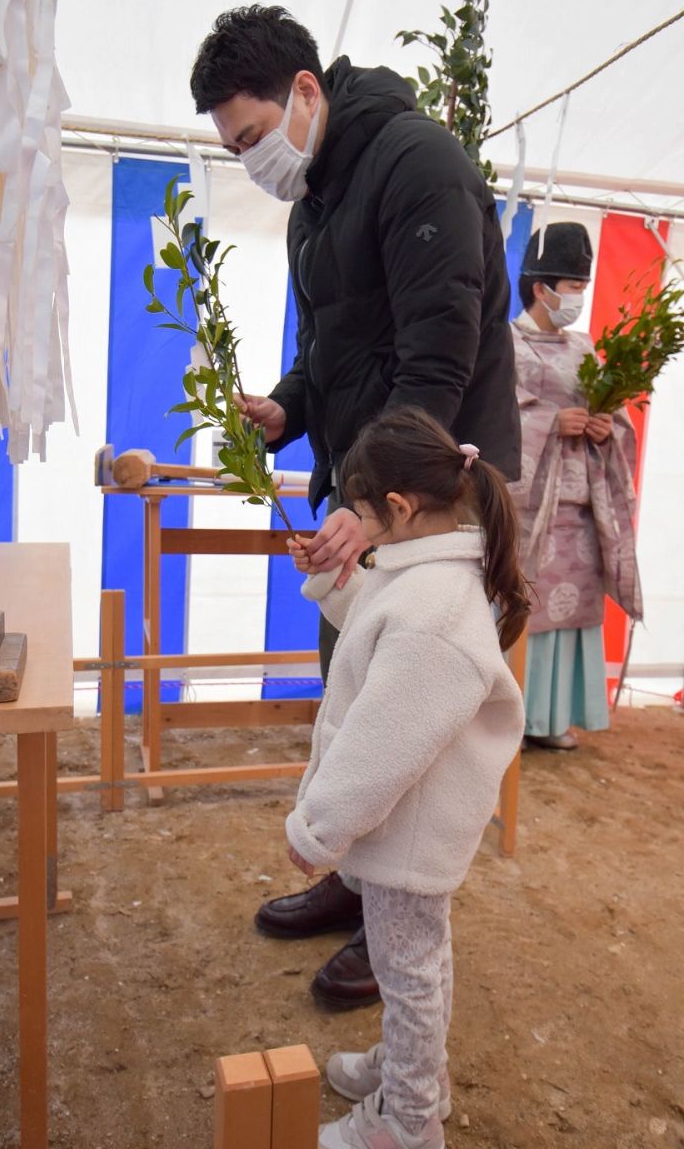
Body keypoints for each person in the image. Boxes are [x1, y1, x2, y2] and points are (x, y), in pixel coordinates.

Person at [190, 4, 521, 1006]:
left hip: (436, 491)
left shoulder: (416, 160)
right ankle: (356, 880)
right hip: (371, 489)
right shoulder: (315, 205)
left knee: (408, 711)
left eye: (251, 136)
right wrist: (285, 409)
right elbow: (331, 350)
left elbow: (438, 351)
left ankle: (399, 920)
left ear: (304, 91)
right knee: (350, 687)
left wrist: (383, 503)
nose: (250, 160)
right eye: (233, 148)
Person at [284, 406, 528, 1149]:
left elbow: (380, 745)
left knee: (409, 968)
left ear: (397, 507)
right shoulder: (428, 576)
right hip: (412, 823)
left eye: (359, 515)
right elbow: (378, 621)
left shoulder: (434, 612)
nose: (355, 527)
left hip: (408, 828)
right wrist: (336, 581)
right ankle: (412, 1073)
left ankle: (409, 1119)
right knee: (415, 960)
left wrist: (318, 826)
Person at [509, 223, 642, 750]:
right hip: (530, 508)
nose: (579, 298)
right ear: (540, 288)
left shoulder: (585, 347)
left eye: (583, 288)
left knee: (572, 609)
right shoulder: (505, 344)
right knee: (525, 605)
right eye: (572, 287)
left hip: (581, 501)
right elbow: (491, 415)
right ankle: (510, 719)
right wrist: (549, 420)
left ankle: (552, 716)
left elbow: (612, 412)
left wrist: (606, 426)